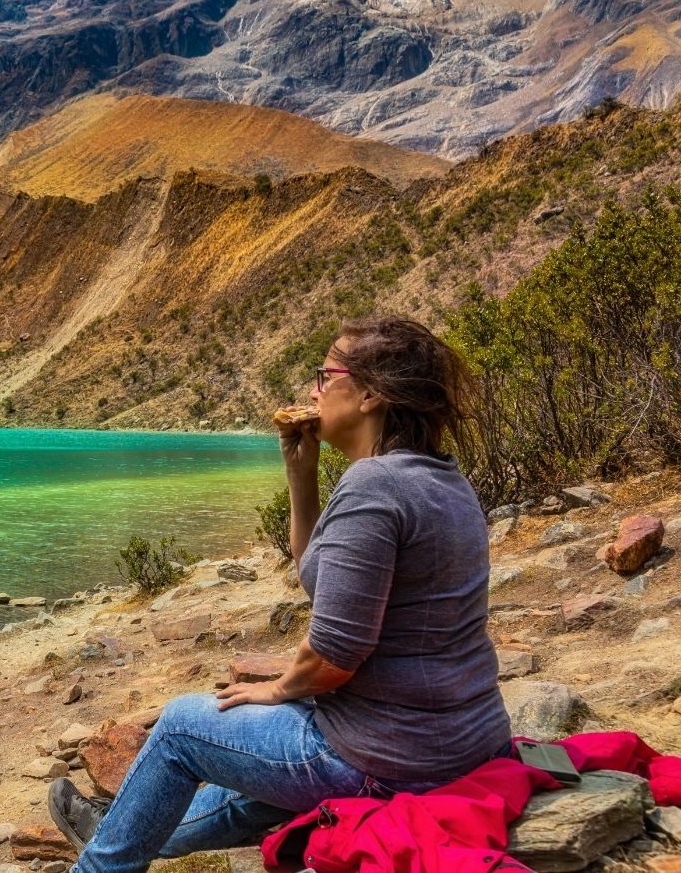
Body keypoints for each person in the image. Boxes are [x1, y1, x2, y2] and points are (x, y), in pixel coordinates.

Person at [49, 315, 512, 871]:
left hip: (391, 759)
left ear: (369, 394)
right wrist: (301, 476)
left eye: (325, 375)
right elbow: (319, 570)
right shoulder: (440, 477)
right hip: (464, 743)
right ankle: (123, 830)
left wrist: (278, 690)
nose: (313, 391)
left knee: (180, 726)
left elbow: (335, 657)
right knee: (257, 780)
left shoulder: (374, 485)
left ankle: (98, 865)